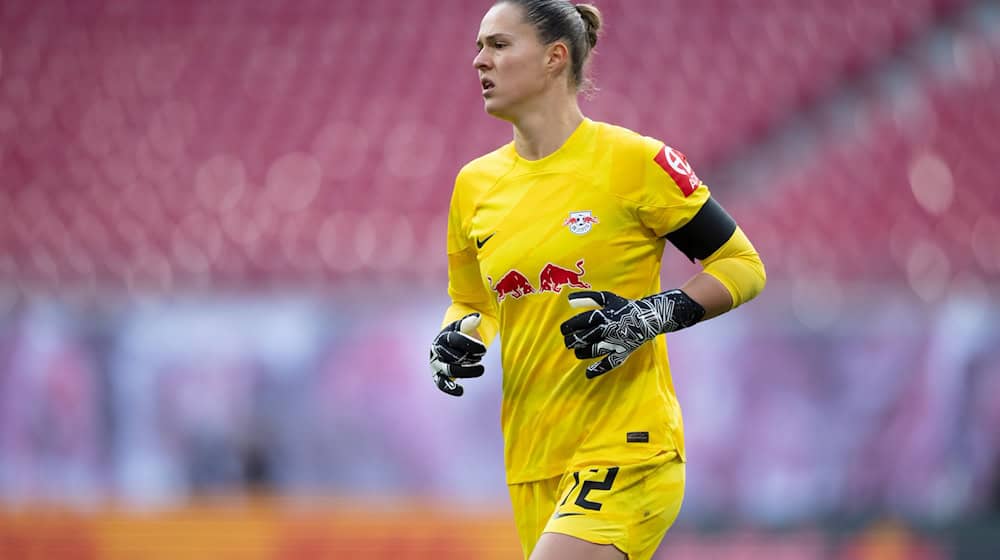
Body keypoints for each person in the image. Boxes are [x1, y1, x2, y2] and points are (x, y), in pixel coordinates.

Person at [428, 1, 767, 559]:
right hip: (534, 456)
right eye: (478, 45)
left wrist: (647, 317)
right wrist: (458, 336)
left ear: (554, 58)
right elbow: (471, 301)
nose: (478, 61)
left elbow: (742, 265)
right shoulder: (474, 186)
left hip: (628, 449)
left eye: (498, 45)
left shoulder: (635, 162)